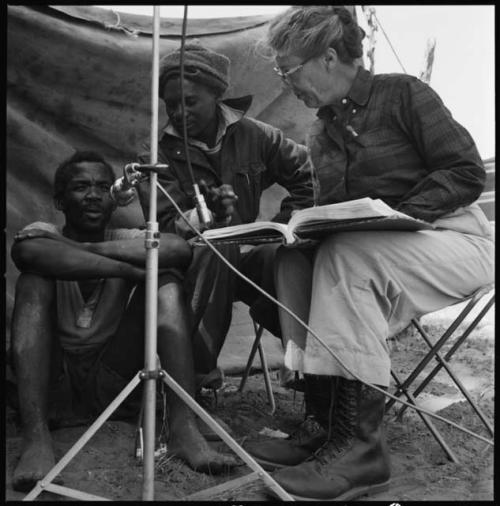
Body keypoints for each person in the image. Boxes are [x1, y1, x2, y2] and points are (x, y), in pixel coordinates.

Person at [243, 6, 494, 501]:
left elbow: (465, 172)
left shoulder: (403, 93)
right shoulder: (320, 131)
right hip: (379, 249)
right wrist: (300, 228)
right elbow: (332, 211)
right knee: (290, 260)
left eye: (288, 70)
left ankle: (362, 451)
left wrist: (398, 216)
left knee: (351, 255)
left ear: (330, 56)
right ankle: (323, 420)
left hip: (455, 238)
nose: (287, 83)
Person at [9, 151, 238, 493]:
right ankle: (36, 437)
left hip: (113, 378)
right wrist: (131, 270)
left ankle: (183, 428)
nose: (93, 195)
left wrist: (83, 250)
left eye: (103, 186)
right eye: (81, 187)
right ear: (59, 200)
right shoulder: (43, 232)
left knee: (167, 281)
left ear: (114, 198)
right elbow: (28, 252)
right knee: (33, 279)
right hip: (55, 383)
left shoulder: (124, 237)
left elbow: (177, 249)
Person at [134, 42, 315, 391]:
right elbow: (165, 224)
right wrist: (208, 217)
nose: (179, 113)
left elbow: (309, 174)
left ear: (216, 96)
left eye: (190, 101)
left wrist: (289, 223)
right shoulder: (155, 155)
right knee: (217, 247)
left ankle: (316, 370)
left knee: (289, 258)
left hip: (246, 259)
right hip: (190, 264)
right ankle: (193, 381)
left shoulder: (256, 135)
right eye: (171, 105)